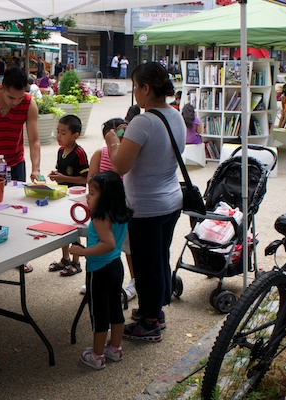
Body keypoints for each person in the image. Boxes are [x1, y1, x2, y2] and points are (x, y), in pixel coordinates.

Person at [104, 62, 185, 342]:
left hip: (147, 207)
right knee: (159, 259)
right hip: (171, 200)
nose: (135, 93)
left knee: (147, 265)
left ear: (147, 88)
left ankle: (150, 323)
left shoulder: (144, 121)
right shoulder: (175, 115)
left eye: (136, 87)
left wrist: (113, 139)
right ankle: (155, 311)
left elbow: (119, 165)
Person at [69, 170, 132, 369]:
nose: (87, 196)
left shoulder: (100, 217)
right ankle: (114, 348)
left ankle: (96, 356)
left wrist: (83, 251)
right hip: (115, 267)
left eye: (92, 193)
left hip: (100, 270)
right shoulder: (119, 212)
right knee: (115, 308)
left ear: (105, 197)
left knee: (99, 313)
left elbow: (108, 244)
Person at [86, 117, 137, 302]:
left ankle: (134, 280)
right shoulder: (101, 153)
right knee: (102, 241)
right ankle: (98, 275)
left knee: (127, 247)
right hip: (105, 210)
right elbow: (91, 179)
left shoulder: (131, 154)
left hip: (122, 208)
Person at [47, 115, 89, 277]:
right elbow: (60, 171)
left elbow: (85, 178)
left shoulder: (79, 153)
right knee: (63, 227)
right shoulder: (60, 151)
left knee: (74, 229)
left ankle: (76, 261)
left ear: (75, 136)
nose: (58, 136)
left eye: (63, 133)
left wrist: (64, 178)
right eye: (57, 132)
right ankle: (65, 258)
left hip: (76, 198)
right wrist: (56, 174)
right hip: (62, 195)